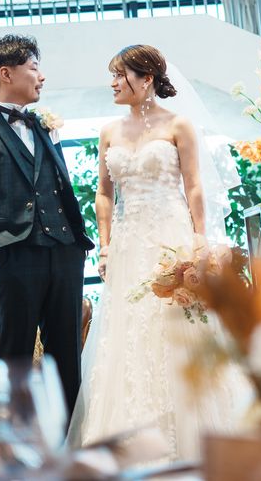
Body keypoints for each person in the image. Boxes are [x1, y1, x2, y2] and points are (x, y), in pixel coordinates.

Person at [68, 45, 241, 459]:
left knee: (177, 327)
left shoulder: (179, 125)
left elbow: (194, 185)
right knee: (127, 334)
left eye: (119, 75)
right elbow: (104, 194)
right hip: (128, 245)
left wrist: (199, 239)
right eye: (113, 75)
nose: (112, 83)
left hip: (170, 237)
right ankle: (128, 437)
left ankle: (195, 435)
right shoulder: (108, 131)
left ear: (146, 79)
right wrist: (105, 246)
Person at [0, 34, 94, 416]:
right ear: (6, 73)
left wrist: (76, 244)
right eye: (34, 68)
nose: (41, 77)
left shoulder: (43, 125)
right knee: (16, 357)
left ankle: (68, 444)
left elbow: (57, 186)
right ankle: (17, 445)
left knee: (67, 357)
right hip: (14, 256)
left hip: (64, 252)